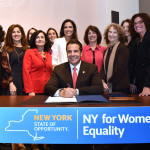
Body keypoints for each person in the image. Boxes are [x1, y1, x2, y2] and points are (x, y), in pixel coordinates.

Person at [100, 23, 130, 93]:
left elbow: (120, 68)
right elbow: (103, 68)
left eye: (115, 32)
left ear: (119, 35)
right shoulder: (106, 50)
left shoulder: (123, 48)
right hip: (108, 87)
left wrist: (109, 82)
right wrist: (103, 81)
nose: (111, 34)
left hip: (120, 88)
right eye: (110, 32)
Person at [23, 30, 52, 96]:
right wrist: (30, 90)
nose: (40, 39)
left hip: (47, 90)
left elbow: (50, 73)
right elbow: (26, 72)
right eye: (37, 37)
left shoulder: (49, 55)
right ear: (34, 40)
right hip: (33, 91)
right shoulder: (29, 52)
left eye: (42, 37)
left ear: (46, 40)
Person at [2, 24, 28, 96]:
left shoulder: (28, 49)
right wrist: (10, 83)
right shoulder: (6, 48)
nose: (16, 34)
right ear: (10, 35)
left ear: (22, 34)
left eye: (18, 32)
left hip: (26, 82)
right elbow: (5, 68)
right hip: (12, 82)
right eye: (13, 32)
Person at [129, 13, 150, 96]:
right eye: (135, 23)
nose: (137, 25)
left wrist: (148, 85)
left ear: (147, 22)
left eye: (140, 22)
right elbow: (133, 64)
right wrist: (132, 82)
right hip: (139, 84)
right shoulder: (136, 41)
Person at [121, 19, 138, 94]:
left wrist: (133, 82)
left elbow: (136, 63)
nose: (125, 29)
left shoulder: (136, 42)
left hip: (133, 82)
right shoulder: (122, 44)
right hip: (124, 81)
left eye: (127, 27)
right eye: (123, 27)